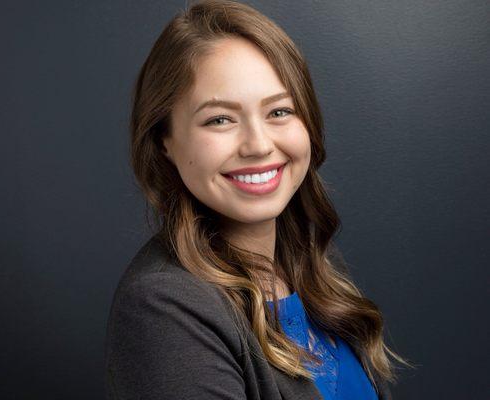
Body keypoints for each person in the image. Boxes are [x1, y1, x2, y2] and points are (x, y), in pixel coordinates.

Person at [105, 1, 411, 399]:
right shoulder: (163, 307)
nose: (259, 144)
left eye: (279, 111)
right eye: (220, 119)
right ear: (164, 140)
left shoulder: (309, 264)